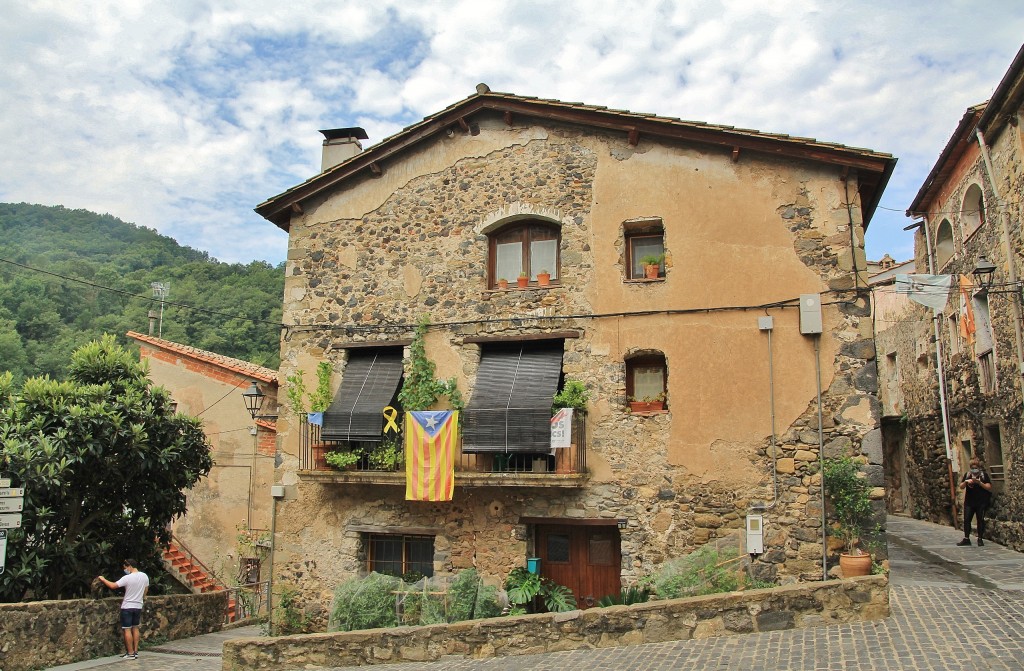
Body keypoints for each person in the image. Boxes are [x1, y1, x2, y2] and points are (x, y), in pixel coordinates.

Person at [98, 559, 150, 660]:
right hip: (138, 605)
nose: (125, 569)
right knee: (135, 628)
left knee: (127, 629)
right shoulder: (144, 576)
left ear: (129, 566)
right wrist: (141, 597)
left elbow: (113, 586)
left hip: (127, 606)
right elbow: (146, 589)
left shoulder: (127, 578)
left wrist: (103, 579)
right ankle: (135, 651)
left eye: (125, 567)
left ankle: (130, 653)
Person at [957, 457, 993, 547]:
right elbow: (961, 486)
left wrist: (979, 483)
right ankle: (966, 538)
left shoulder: (983, 475)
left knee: (980, 520)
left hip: (981, 502)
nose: (974, 469)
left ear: (979, 467)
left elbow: (989, 487)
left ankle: (980, 539)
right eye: (972, 467)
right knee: (967, 520)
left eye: (975, 467)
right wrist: (966, 482)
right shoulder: (967, 474)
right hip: (969, 502)